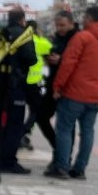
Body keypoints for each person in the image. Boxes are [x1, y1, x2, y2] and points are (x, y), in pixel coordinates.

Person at [45, 6, 98, 180]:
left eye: (85, 18)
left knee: (64, 128)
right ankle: (79, 169)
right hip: (97, 96)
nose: (83, 22)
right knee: (87, 131)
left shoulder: (83, 37)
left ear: (90, 18)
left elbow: (68, 64)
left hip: (74, 94)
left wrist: (58, 86)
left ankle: (61, 167)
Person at [0, 7, 37, 174]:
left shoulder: (0, 33)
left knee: (0, 124)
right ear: (22, 20)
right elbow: (31, 59)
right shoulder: (24, 35)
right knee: (14, 125)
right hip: (16, 85)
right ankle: (8, 161)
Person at [32, 10, 78, 150]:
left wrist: (61, 60)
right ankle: (58, 149)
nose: (59, 28)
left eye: (62, 25)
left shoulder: (78, 38)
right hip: (53, 83)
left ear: (71, 23)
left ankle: (64, 158)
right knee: (40, 116)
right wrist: (49, 59)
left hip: (69, 86)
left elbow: (79, 61)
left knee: (66, 124)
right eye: (57, 25)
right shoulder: (56, 38)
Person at [20, 20, 52, 151]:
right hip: (33, 83)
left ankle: (19, 135)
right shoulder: (40, 42)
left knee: (18, 112)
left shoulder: (20, 40)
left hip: (20, 82)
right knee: (35, 111)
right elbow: (52, 49)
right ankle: (24, 133)